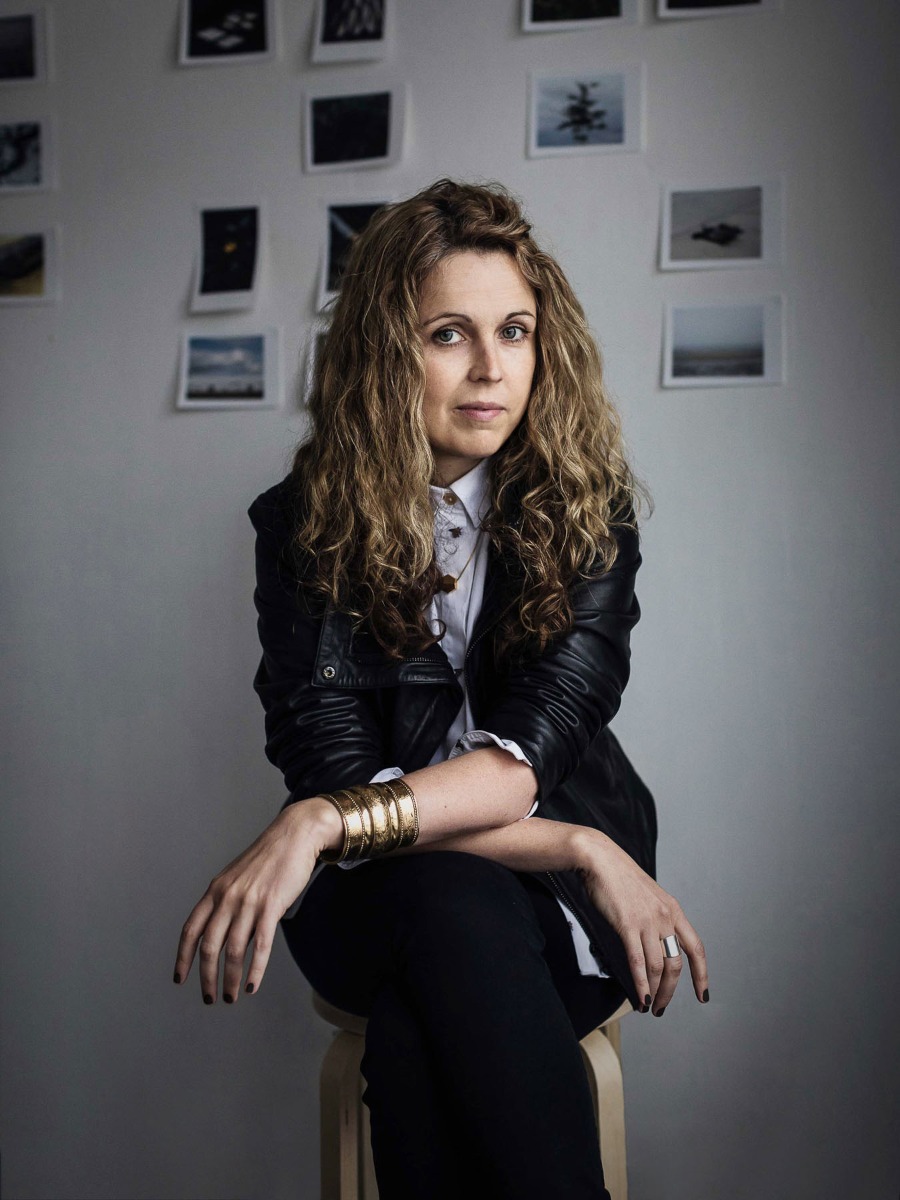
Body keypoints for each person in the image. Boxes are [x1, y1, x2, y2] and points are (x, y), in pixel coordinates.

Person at [173, 179, 709, 1199]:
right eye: (448, 335)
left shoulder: (590, 517)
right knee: (442, 896)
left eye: (514, 330)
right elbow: (334, 761)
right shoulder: (300, 527)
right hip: (424, 885)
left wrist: (322, 825)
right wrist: (581, 844)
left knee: (422, 1034)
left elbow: (523, 760)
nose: (491, 367)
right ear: (385, 356)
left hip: (549, 906)